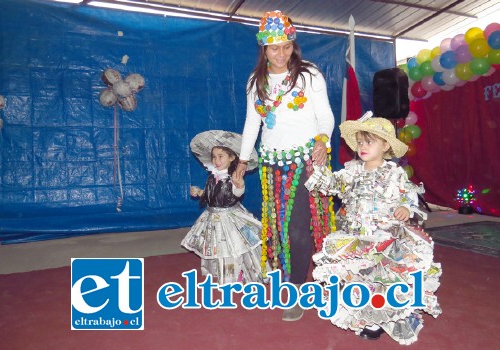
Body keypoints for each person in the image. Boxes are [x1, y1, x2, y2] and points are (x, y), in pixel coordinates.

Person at [305, 112, 442, 344]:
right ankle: (366, 318)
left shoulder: (394, 173)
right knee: (358, 279)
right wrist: (319, 170)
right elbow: (331, 184)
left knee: (382, 280)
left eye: (369, 142)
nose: (362, 147)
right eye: (360, 142)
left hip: (385, 238)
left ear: (385, 144)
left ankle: (382, 318)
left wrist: (406, 209)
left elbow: (409, 199)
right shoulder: (352, 172)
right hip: (357, 235)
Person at [235, 10, 336, 321]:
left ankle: (297, 290)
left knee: (298, 230)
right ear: (263, 49)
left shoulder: (309, 75)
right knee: (280, 228)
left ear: (293, 45)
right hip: (273, 164)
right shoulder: (257, 81)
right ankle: (291, 277)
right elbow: (253, 124)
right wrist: (241, 160)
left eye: (286, 46)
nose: (281, 54)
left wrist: (323, 140)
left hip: (306, 162)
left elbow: (326, 116)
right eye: (274, 48)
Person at [181, 130, 264, 284]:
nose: (216, 160)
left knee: (233, 246)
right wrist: (200, 192)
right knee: (215, 245)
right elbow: (213, 196)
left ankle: (236, 274)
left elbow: (237, 192)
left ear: (232, 158)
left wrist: (239, 186)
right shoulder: (213, 176)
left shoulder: (234, 177)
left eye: (221, 156)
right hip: (213, 216)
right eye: (214, 157)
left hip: (229, 218)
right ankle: (217, 271)